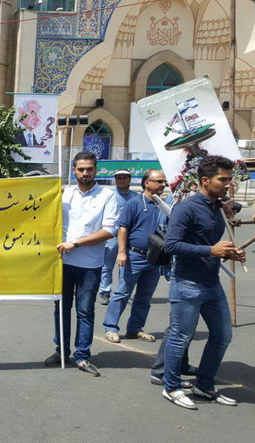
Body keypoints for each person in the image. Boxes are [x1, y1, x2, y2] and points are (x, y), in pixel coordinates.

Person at [161, 155, 244, 410]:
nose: (228, 184)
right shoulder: (187, 208)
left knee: (222, 336)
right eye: (223, 179)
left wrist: (229, 253)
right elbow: (170, 245)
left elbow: (212, 244)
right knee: (180, 338)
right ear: (205, 180)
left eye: (229, 179)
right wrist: (212, 250)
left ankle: (204, 385)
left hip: (211, 284)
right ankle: (171, 387)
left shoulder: (217, 207)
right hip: (187, 284)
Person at [45, 152, 118, 377]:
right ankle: (61, 351)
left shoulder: (107, 196)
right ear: (73, 171)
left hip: (89, 265)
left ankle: (82, 355)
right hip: (62, 263)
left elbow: (109, 230)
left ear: (96, 170)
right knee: (61, 309)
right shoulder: (64, 194)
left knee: (85, 311)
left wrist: (76, 243)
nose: (85, 173)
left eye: (89, 169)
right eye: (81, 169)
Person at [102, 170, 166, 344]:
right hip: (134, 257)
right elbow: (123, 228)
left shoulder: (163, 205)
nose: (163, 185)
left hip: (155, 259)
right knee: (122, 293)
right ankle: (110, 328)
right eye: (159, 181)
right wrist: (122, 252)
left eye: (164, 182)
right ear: (147, 183)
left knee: (144, 297)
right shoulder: (135, 203)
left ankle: (135, 328)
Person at [98, 169, 137, 305]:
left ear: (129, 180)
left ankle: (122, 292)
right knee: (107, 266)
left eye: (124, 178)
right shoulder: (109, 195)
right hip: (111, 235)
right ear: (115, 180)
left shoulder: (135, 197)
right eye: (119, 178)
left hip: (129, 236)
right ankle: (104, 292)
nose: (122, 180)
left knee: (125, 266)